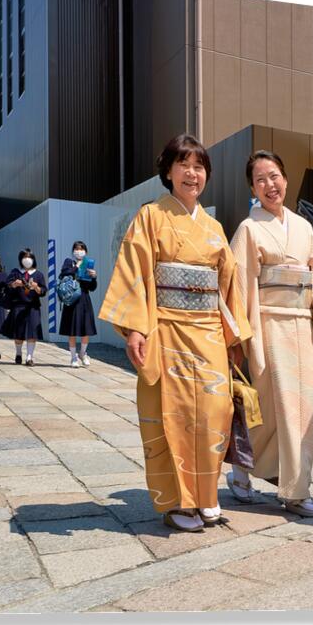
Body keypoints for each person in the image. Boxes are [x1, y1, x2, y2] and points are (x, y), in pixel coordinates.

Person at [99, 134, 252, 533]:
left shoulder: (215, 228)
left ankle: (207, 496)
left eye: (199, 166)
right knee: (175, 415)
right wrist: (135, 327)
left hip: (208, 334)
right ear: (168, 171)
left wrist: (233, 339)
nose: (192, 173)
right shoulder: (150, 216)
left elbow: (228, 286)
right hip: (165, 328)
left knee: (216, 413)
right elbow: (135, 271)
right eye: (183, 164)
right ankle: (178, 503)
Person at [228, 150, 313, 517]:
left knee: (300, 411)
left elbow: (311, 280)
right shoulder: (250, 229)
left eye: (275, 175)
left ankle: (295, 489)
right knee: (272, 409)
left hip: (299, 325)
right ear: (253, 187)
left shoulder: (303, 227)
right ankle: (245, 467)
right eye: (261, 179)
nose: (270, 184)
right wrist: (243, 339)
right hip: (267, 324)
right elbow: (240, 286)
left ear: (285, 178)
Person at [1, 248, 47, 366]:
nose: (27, 260)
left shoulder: (38, 274)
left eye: (30, 257)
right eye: (24, 257)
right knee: (19, 333)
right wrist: (15, 284)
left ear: (33, 259)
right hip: (18, 306)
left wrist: (36, 287)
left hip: (33, 307)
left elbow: (43, 290)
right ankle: (18, 354)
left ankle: (29, 357)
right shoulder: (16, 272)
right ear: (20, 259)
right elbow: (7, 285)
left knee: (32, 333)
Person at [58, 241, 98, 368]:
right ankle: (73, 357)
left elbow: (92, 288)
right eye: (76, 249)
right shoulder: (68, 262)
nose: (79, 251)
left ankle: (82, 353)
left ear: (85, 251)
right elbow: (63, 273)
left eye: (81, 249)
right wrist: (77, 267)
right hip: (72, 299)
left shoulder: (88, 264)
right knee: (72, 331)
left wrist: (94, 277)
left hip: (84, 299)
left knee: (86, 329)